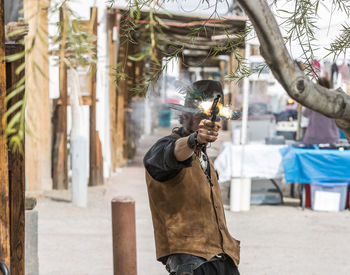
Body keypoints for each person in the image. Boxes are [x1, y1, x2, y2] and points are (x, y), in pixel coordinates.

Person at [143, 80, 240, 275]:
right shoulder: (164, 148)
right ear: (185, 115)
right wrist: (193, 139)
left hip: (222, 258)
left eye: (215, 117)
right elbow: (175, 152)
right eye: (201, 116)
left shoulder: (203, 156)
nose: (212, 122)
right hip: (192, 264)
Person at [302, 77, 339, 144]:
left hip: (313, 138)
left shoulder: (312, 100)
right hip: (330, 138)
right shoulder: (335, 100)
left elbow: (305, 114)